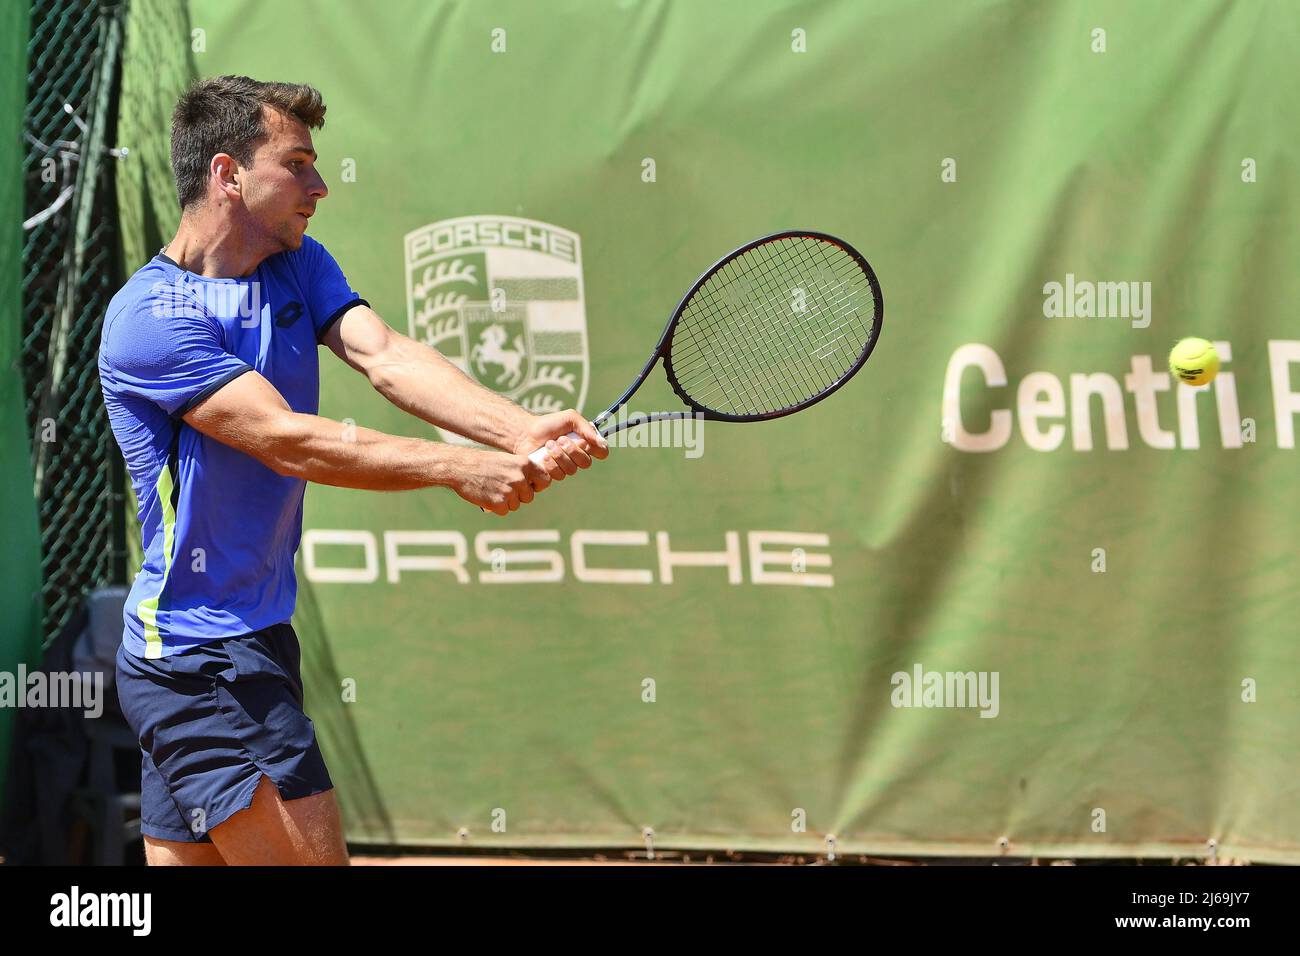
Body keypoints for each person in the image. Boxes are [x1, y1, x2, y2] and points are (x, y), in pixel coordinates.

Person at [97, 75, 607, 865]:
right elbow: (287, 438)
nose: (320, 187)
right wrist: (456, 469)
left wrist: (516, 429)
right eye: (297, 165)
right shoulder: (151, 321)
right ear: (228, 174)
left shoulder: (297, 263)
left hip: (256, 638)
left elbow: (389, 356)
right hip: (198, 660)